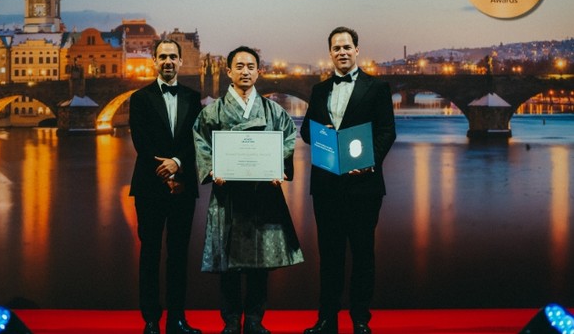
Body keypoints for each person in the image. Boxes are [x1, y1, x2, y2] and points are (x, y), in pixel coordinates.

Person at [192, 46, 304, 334]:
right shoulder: (213, 111)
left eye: (250, 66)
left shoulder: (273, 110)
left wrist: (278, 167)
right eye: (239, 66)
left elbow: (288, 138)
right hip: (227, 195)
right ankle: (231, 320)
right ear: (228, 71)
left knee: (260, 261)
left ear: (258, 71)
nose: (245, 71)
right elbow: (201, 141)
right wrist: (212, 169)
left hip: (262, 194)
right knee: (228, 261)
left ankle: (254, 319)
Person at [300, 27, 396, 334]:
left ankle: (360, 320)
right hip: (326, 185)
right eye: (336, 48)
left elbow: (387, 131)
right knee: (329, 257)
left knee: (363, 255)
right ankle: (326, 320)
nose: (341, 52)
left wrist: (369, 161)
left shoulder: (377, 87)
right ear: (330, 53)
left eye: (346, 47)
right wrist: (322, 132)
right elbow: (305, 132)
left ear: (356, 50)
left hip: (363, 186)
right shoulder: (319, 90)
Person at [129, 39, 203, 334]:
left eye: (173, 56)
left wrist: (177, 162)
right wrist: (165, 169)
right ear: (154, 62)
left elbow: (196, 138)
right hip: (150, 185)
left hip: (183, 186)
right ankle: (150, 320)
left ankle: (177, 319)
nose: (168, 61)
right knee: (149, 253)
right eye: (163, 57)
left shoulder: (192, 97)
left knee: (179, 255)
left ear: (180, 61)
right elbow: (141, 141)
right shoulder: (140, 98)